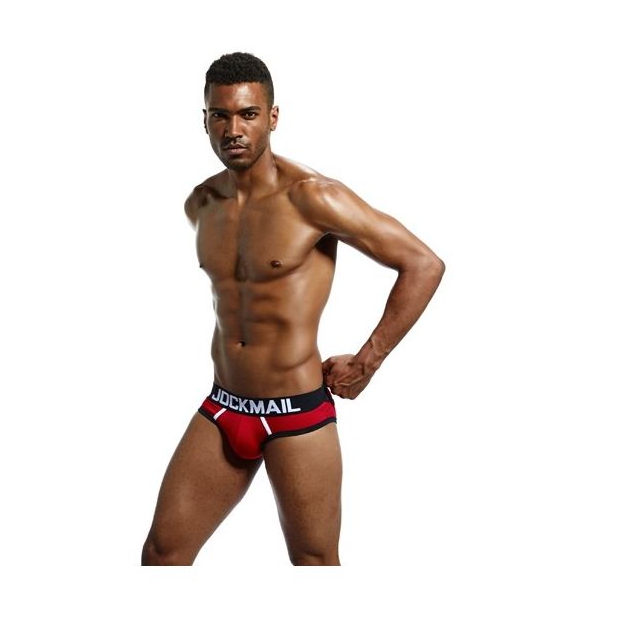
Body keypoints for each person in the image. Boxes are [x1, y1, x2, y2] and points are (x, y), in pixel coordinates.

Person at [141, 52, 444, 566]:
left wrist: (367, 361)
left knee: (314, 563)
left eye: (248, 114)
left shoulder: (313, 198)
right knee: (162, 554)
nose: (233, 130)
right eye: (220, 116)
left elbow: (423, 264)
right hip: (224, 407)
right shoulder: (201, 204)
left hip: (296, 414)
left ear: (273, 117)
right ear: (205, 120)